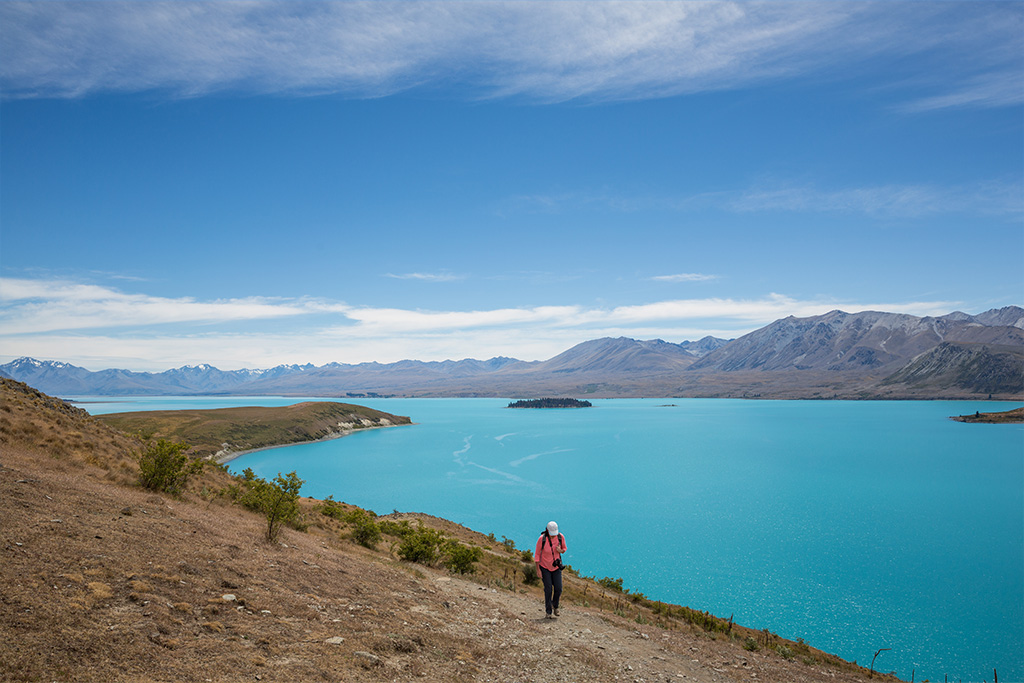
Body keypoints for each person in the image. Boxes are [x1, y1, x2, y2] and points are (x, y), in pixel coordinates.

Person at [535, 520, 567, 618]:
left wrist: (560, 550)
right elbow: (537, 554)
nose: (553, 536)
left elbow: (564, 549)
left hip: (556, 567)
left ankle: (555, 605)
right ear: (547, 531)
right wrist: (538, 570)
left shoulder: (560, 537)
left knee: (558, 588)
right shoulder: (542, 539)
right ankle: (548, 612)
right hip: (544, 567)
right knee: (548, 589)